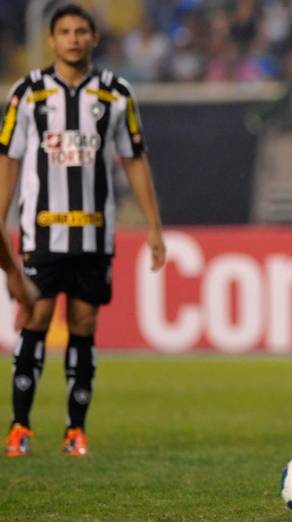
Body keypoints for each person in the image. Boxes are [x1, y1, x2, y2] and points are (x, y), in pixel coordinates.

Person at [2, 4, 165, 458]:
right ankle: (20, 426)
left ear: (94, 38)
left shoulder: (116, 94)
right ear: (51, 40)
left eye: (81, 31)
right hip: (42, 232)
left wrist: (154, 225)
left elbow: (134, 158)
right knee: (34, 319)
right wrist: (0, 218)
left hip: (95, 234)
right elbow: (9, 159)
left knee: (84, 324)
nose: (73, 38)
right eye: (65, 32)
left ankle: (76, 430)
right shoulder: (28, 94)